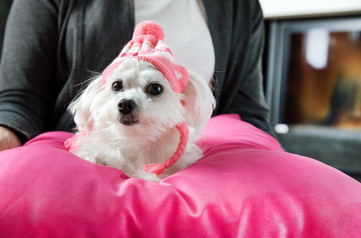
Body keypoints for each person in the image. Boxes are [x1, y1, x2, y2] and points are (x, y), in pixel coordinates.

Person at [0, 0, 276, 151]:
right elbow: (20, 98)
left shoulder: (241, 6)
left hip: (200, 164)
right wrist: (6, 133)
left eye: (154, 89)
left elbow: (247, 112)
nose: (126, 100)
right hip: (83, 154)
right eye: (117, 87)